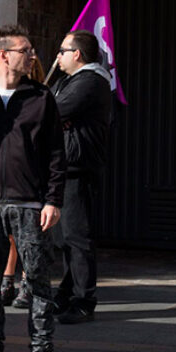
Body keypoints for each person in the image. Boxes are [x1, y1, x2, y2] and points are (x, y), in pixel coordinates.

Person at [0, 27, 65, 352]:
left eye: (31, 50)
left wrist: (53, 200)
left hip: (30, 203)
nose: (32, 56)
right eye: (25, 50)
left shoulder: (41, 97)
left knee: (39, 279)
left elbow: (56, 153)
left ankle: (42, 348)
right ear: (4, 55)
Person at [45, 30, 114, 324]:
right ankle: (67, 289)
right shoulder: (67, 81)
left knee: (77, 234)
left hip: (79, 167)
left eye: (63, 50)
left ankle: (84, 299)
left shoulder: (91, 82)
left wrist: (55, 115)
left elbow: (55, 110)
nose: (57, 56)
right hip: (65, 167)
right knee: (65, 236)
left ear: (77, 54)